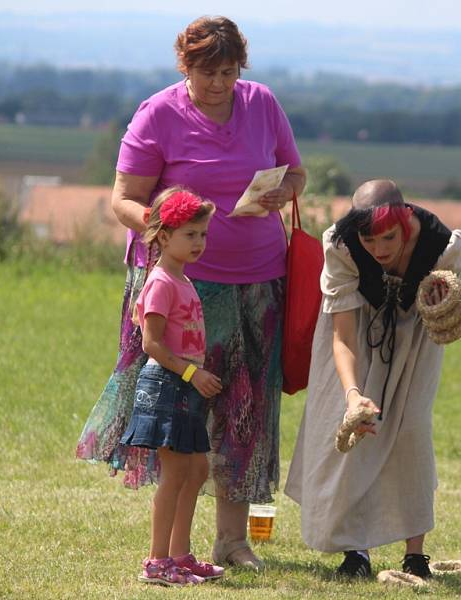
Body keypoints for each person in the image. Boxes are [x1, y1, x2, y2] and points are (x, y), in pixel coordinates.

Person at [76, 15, 306, 571]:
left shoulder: (263, 103)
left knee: (245, 409)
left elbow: (296, 174)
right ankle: (170, 545)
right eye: (208, 73)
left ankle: (231, 541)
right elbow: (123, 198)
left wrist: (282, 191)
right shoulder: (157, 113)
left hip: (258, 281)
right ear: (186, 66)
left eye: (228, 72)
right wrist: (162, 227)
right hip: (182, 287)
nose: (220, 84)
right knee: (180, 413)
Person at [285, 180, 461, 579]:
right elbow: (342, 336)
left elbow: (445, 297)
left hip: (414, 337)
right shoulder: (343, 247)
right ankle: (356, 550)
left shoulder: (439, 244)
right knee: (357, 432)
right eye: (370, 239)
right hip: (358, 332)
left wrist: (442, 305)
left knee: (411, 431)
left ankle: (415, 555)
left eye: (389, 237)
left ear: (405, 223)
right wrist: (352, 395)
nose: (380, 249)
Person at [120, 187, 223, 586]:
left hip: (183, 386)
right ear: (163, 236)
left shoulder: (180, 279)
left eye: (203, 235)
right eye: (190, 235)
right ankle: (156, 561)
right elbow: (151, 343)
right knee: (176, 473)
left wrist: (193, 377)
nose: (199, 243)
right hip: (167, 385)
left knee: (195, 469)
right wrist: (191, 373)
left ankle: (180, 555)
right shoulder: (162, 281)